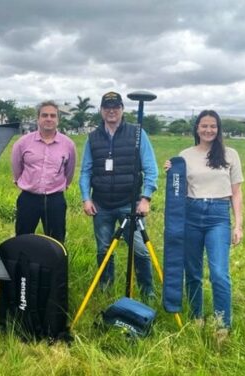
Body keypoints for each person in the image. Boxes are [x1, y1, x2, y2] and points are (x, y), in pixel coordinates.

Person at [164, 110, 243, 333]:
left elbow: (236, 193)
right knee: (193, 272)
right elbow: (179, 188)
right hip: (191, 212)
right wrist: (172, 171)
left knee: (219, 273)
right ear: (197, 128)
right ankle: (196, 316)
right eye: (204, 126)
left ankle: (222, 325)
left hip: (218, 214)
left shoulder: (230, 154)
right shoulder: (185, 155)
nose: (209, 130)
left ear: (218, 129)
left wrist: (238, 225)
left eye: (213, 126)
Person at [79, 91, 158, 299]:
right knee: (104, 249)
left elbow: (151, 168)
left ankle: (147, 291)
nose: (111, 110)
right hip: (101, 204)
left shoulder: (137, 134)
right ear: (101, 111)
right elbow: (85, 171)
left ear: (123, 109)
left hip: (129, 204)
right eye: (107, 107)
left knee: (140, 250)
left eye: (116, 106)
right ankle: (106, 288)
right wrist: (86, 198)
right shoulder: (93, 138)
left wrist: (146, 197)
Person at [11, 100, 76, 243]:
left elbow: (69, 172)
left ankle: (54, 266)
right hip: (28, 198)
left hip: (55, 200)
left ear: (58, 119)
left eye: (53, 116)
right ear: (38, 118)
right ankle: (23, 265)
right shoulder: (22, 143)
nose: (49, 119)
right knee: (22, 239)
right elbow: (17, 169)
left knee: (56, 241)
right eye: (44, 115)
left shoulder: (68, 144)